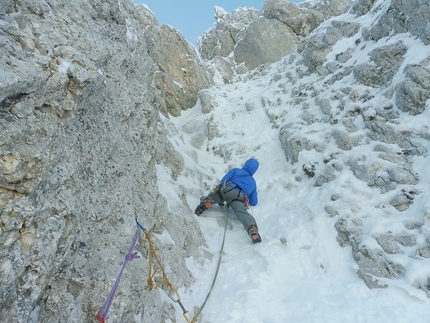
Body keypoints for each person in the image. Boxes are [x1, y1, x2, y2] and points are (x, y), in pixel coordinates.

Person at [194, 158, 261, 243]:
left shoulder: (236, 170)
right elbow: (254, 202)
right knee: (243, 214)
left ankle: (208, 201)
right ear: (254, 170)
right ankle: (252, 228)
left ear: (245, 164)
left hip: (227, 190)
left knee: (213, 196)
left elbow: (223, 181)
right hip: (239, 197)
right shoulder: (253, 182)